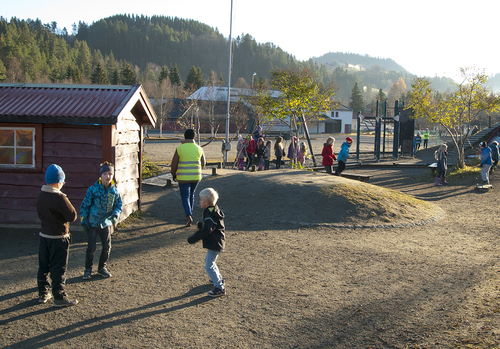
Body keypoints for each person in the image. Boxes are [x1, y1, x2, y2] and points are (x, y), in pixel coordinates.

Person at [37, 164, 78, 307]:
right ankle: (59, 296)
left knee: (43, 265)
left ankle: (43, 292)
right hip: (59, 237)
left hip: (44, 235)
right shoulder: (60, 198)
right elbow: (72, 215)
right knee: (58, 267)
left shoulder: (41, 195)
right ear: (59, 182)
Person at [81, 162, 123, 280]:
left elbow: (118, 204)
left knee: (106, 246)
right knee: (91, 248)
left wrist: (115, 214)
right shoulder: (93, 190)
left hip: (106, 223)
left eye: (110, 174)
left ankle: (102, 267)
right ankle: (88, 269)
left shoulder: (114, 191)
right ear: (100, 175)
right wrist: (83, 220)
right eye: (105, 174)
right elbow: (85, 206)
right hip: (92, 223)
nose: (107, 176)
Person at [187, 188, 226, 298]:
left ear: (206, 202)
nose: (199, 202)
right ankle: (217, 279)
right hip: (217, 241)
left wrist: (194, 238)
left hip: (215, 242)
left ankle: (219, 287)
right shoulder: (214, 210)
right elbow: (213, 224)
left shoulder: (208, 213)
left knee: (209, 265)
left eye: (200, 200)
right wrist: (201, 225)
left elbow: (208, 228)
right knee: (210, 262)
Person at [171, 129, 206, 226]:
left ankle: (188, 215)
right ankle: (190, 213)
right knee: (192, 194)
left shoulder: (180, 148)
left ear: (185, 136)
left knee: (185, 196)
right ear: (194, 137)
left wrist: (173, 174)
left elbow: (174, 164)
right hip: (196, 176)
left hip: (183, 177)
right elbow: (204, 163)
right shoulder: (199, 148)